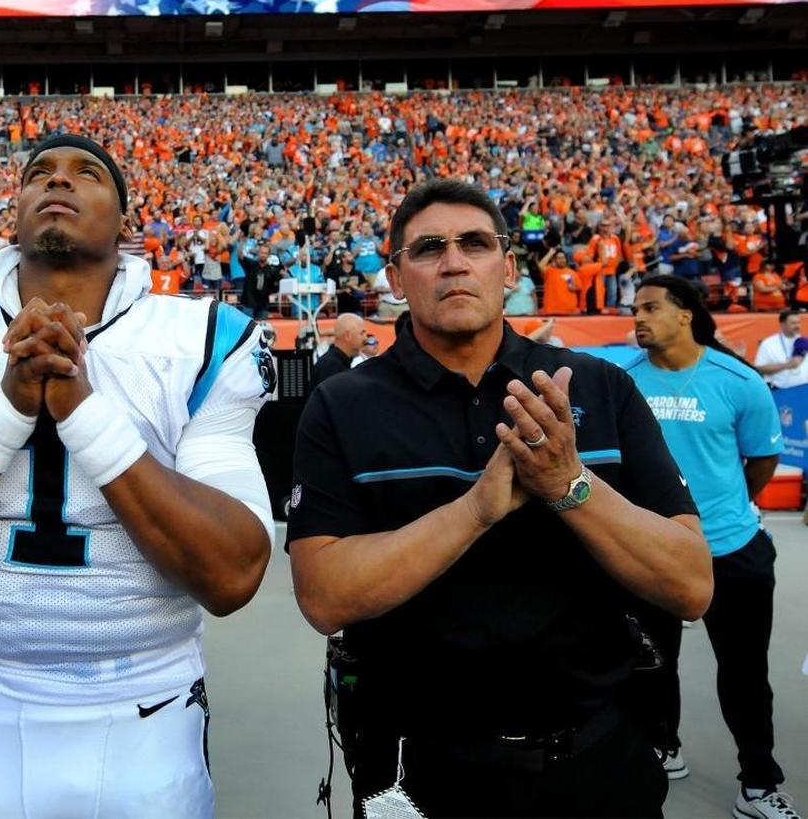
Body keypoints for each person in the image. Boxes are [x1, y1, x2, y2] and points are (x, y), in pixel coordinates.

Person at [0, 135, 275, 818]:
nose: (60, 181)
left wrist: (81, 411)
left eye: (88, 173)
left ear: (126, 222)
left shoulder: (199, 335)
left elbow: (232, 573)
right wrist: (6, 406)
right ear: (13, 211)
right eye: (38, 172)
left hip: (149, 706)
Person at [286, 179, 712, 819]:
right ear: (396, 277)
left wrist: (570, 486)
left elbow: (691, 585)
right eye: (428, 248)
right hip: (417, 768)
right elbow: (323, 597)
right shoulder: (342, 405)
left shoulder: (600, 385)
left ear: (508, 269)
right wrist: (475, 511)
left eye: (475, 244)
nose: (454, 262)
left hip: (599, 760)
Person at [627, 275, 799, 819]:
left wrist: (722, 512)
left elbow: (762, 458)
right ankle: (664, 746)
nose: (639, 318)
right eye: (635, 310)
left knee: (745, 672)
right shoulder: (624, 382)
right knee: (652, 665)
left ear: (686, 315)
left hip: (732, 551)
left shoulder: (738, 380)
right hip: (651, 552)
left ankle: (758, 782)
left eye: (650, 308)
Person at [754, 310, 808, 389]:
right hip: (780, 390)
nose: (797, 326)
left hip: (804, 389)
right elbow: (760, 369)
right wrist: (787, 365)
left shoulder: (803, 341)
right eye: (793, 323)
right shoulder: (768, 343)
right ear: (783, 325)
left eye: (798, 322)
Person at [311, 313, 366, 389]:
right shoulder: (330, 366)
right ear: (347, 336)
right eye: (362, 333)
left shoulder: (338, 362)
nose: (365, 338)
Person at [239, 244, 282, 319]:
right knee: (247, 328)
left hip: (263, 305)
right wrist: (241, 243)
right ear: (258, 253)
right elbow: (240, 256)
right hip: (249, 303)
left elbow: (275, 287)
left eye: (265, 253)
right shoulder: (251, 264)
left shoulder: (272, 270)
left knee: (262, 329)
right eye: (261, 252)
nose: (263, 255)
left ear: (268, 255)